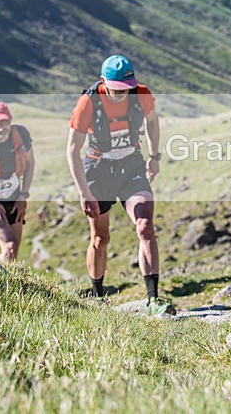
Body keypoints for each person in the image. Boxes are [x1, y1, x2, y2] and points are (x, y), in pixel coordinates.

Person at [66, 55, 174, 316]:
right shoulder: (88, 103)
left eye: (126, 90)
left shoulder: (142, 94)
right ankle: (98, 296)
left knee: (145, 225)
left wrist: (154, 156)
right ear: (103, 82)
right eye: (115, 90)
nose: (121, 95)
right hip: (98, 171)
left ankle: (153, 300)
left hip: (131, 167)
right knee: (101, 237)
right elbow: (72, 149)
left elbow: (152, 121)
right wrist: (84, 192)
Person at [0, 102, 35, 262]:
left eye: (5, 122)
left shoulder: (21, 134)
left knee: (14, 250)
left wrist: (23, 195)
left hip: (13, 196)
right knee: (9, 245)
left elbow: (29, 163)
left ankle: (5, 285)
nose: (1, 128)